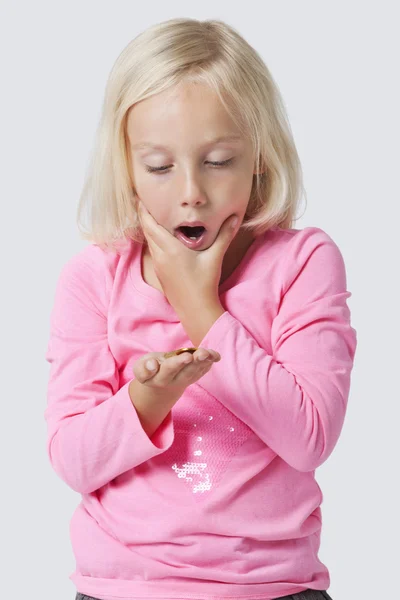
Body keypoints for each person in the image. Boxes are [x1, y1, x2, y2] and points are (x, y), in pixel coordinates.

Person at [44, 17, 357, 600]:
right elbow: (74, 460)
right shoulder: (93, 278)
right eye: (160, 166)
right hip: (121, 588)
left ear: (260, 157)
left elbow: (310, 437)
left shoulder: (303, 261)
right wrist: (149, 398)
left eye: (218, 160)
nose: (190, 190)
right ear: (128, 168)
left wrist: (201, 308)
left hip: (272, 590)